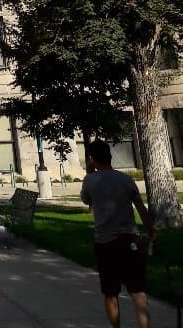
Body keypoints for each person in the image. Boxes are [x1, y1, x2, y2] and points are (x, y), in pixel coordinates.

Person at [81, 139, 155, 328]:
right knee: (138, 292)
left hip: (106, 242)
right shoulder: (125, 179)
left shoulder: (90, 180)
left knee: (111, 293)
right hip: (131, 238)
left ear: (92, 159)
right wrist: (151, 231)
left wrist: (89, 172)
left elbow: (86, 200)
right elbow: (141, 208)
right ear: (110, 156)